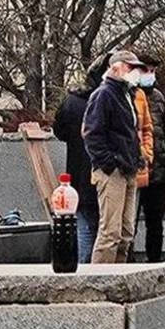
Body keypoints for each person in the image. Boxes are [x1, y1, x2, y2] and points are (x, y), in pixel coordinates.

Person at [82, 50, 148, 264]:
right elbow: (92, 134)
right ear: (116, 66)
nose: (134, 72)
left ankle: (118, 275)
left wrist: (136, 157)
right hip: (113, 171)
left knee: (126, 232)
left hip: (127, 168)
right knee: (110, 232)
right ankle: (99, 281)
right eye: (130, 67)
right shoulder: (103, 94)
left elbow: (130, 132)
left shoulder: (125, 94)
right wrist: (110, 163)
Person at [54, 54, 110, 263]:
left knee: (85, 224)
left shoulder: (71, 102)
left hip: (78, 172)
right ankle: (88, 266)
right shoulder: (106, 99)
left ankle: (81, 264)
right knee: (99, 228)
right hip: (103, 170)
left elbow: (59, 130)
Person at [133, 53, 165, 262]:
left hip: (159, 171)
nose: (150, 75)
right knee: (130, 223)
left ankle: (154, 259)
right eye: (146, 70)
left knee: (155, 223)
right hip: (137, 170)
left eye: (153, 71)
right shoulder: (131, 95)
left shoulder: (159, 98)